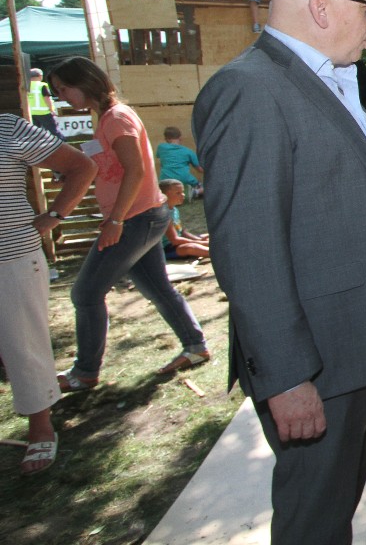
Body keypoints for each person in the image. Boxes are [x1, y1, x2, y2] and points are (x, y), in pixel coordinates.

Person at [194, 0, 366, 543]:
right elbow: (249, 250)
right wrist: (287, 378)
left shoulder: (327, 80)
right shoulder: (250, 90)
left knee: (334, 505)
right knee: (314, 519)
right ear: (321, 7)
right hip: (316, 359)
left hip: (348, 345)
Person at [46, 57, 210, 392]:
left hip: (135, 219)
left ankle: (85, 372)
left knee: (85, 293)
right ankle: (195, 347)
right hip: (142, 217)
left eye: (63, 88)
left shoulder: (116, 118)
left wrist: (116, 219)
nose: (61, 96)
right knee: (157, 289)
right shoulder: (107, 119)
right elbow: (114, 167)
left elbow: (135, 171)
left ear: (85, 82)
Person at [0, 114, 96, 474]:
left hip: (10, 257)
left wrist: (55, 214)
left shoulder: (8, 128)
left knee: (22, 344)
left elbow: (82, 166)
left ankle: (40, 427)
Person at [159, 179, 209, 261]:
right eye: (178, 193)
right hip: (167, 248)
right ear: (164, 195)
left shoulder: (174, 210)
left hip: (178, 242)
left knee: (207, 236)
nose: (183, 195)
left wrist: (198, 239)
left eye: (182, 192)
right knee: (191, 247)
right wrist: (201, 243)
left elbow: (182, 231)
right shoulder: (163, 213)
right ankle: (218, 252)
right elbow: (175, 240)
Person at [156, 125, 203, 198]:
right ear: (180, 138)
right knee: (205, 186)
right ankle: (195, 192)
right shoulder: (188, 151)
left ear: (166, 139)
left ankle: (173, 194)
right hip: (185, 179)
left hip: (165, 180)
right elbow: (200, 169)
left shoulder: (161, 148)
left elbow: (160, 159)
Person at [27, 68, 64, 138]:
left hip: (31, 113)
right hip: (44, 112)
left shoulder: (26, 86)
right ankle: (61, 142)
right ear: (40, 76)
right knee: (54, 131)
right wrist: (52, 110)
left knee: (34, 133)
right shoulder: (42, 85)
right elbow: (47, 98)